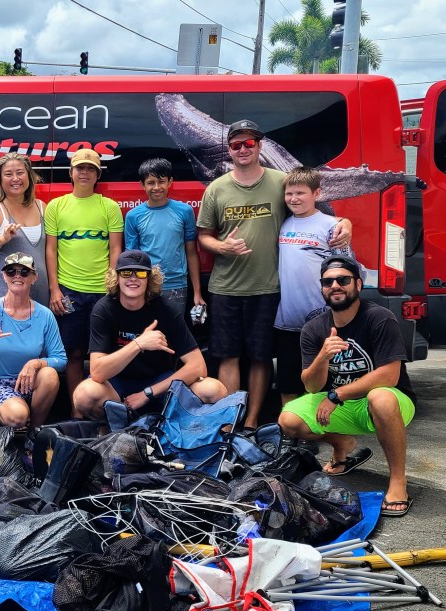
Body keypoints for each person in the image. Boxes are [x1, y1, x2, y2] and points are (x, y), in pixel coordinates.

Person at [196, 119, 350, 428]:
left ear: (259, 147)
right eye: (236, 144)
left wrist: (346, 222)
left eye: (249, 143)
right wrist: (222, 248)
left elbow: (312, 206)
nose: (243, 149)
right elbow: (203, 236)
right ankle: (231, 421)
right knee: (227, 356)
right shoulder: (217, 188)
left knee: (260, 357)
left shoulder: (281, 182)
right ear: (229, 150)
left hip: (268, 288)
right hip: (225, 287)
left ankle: (252, 422)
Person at [279, 256, 416, 518]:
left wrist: (336, 394)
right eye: (328, 282)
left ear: (358, 285)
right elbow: (310, 385)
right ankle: (343, 445)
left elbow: (389, 376)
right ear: (321, 288)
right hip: (343, 405)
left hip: (391, 401)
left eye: (343, 280)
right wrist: (322, 357)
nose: (335, 286)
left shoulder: (379, 318)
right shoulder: (313, 328)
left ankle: (398, 480)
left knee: (380, 397)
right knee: (289, 419)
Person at [73, 250, 228, 420]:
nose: (133, 278)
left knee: (214, 389)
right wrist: (139, 343)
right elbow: (97, 372)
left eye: (140, 273)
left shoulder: (165, 309)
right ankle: (110, 428)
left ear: (149, 278)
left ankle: (174, 432)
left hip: (159, 384)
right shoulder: (104, 309)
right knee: (84, 394)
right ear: (116, 277)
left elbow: (198, 366)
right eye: (126, 272)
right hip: (116, 386)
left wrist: (147, 393)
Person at [45, 148, 124, 415]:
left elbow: (115, 249)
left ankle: (105, 410)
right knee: (74, 354)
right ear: (71, 173)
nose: (84, 173)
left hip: (103, 292)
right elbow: (50, 250)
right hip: (69, 291)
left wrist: (114, 287)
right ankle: (78, 411)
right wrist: (54, 289)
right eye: (80, 168)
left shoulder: (109, 206)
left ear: (97, 174)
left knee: (106, 356)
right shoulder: (57, 206)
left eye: (90, 169)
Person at [0, 253, 66, 434]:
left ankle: (33, 433)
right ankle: (5, 419)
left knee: (49, 375)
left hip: (28, 381)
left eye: (24, 272)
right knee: (18, 417)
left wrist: (36, 363)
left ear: (34, 278)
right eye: (11, 271)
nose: (17, 276)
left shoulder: (45, 315)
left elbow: (61, 360)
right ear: (3, 276)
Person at [275, 166, 354, 405]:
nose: (294, 199)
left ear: (316, 193)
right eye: (289, 194)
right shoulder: (284, 224)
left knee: (320, 383)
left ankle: (315, 434)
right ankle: (290, 435)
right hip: (287, 321)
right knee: (288, 381)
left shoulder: (332, 226)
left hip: (323, 321)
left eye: (300, 193)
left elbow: (347, 270)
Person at [124, 157, 203, 318]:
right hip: (146, 286)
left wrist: (197, 292)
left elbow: (192, 252)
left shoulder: (185, 211)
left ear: (170, 182)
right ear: (142, 185)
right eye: (151, 182)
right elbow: (132, 259)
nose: (157, 187)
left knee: (174, 337)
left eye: (161, 181)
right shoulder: (133, 216)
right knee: (146, 335)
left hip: (177, 286)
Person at [0, 153, 49, 305]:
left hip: (39, 294)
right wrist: (2, 239)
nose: (15, 179)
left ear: (29, 176)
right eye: (8, 174)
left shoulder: (42, 207)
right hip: (2, 295)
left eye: (20, 173)